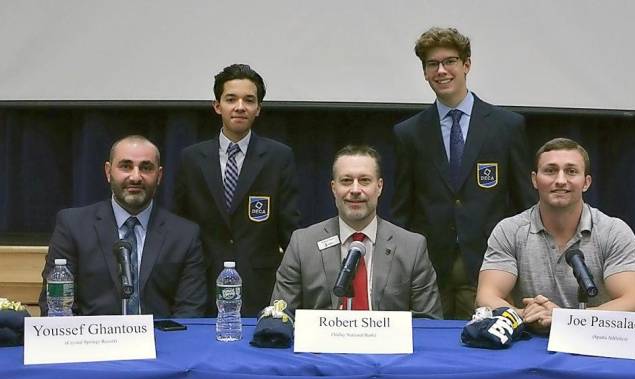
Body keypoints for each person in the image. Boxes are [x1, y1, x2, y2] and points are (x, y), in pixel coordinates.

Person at [391, 27, 536, 319]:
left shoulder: (506, 127)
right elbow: (402, 208)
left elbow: (525, 204)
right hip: (430, 273)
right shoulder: (409, 133)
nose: (441, 70)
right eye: (433, 64)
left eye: (450, 61)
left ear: (467, 64)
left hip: (491, 269)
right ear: (424, 72)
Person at [476, 138, 635, 333]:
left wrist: (566, 320)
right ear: (534, 180)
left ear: (586, 182)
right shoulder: (509, 230)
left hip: (594, 340)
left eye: (571, 171)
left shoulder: (613, 231)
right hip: (530, 340)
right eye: (550, 170)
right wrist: (523, 314)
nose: (560, 180)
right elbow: (485, 296)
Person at [174, 64, 300, 317]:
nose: (240, 106)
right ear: (217, 106)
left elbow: (290, 227)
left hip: (260, 284)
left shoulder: (278, 157)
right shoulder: (191, 158)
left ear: (258, 109)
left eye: (249, 100)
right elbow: (180, 224)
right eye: (231, 99)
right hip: (202, 284)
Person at [39, 135, 208, 317]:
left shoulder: (184, 234)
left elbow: (190, 311)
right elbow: (56, 306)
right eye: (126, 166)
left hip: (161, 342)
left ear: (159, 176)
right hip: (92, 341)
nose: (136, 177)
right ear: (108, 171)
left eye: (146, 168)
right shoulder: (73, 226)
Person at [272, 145, 442, 319]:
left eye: (364, 180)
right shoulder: (303, 244)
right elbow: (281, 316)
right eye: (346, 181)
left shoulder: (412, 247)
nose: (355, 190)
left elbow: (429, 323)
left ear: (380, 186)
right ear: (333, 188)